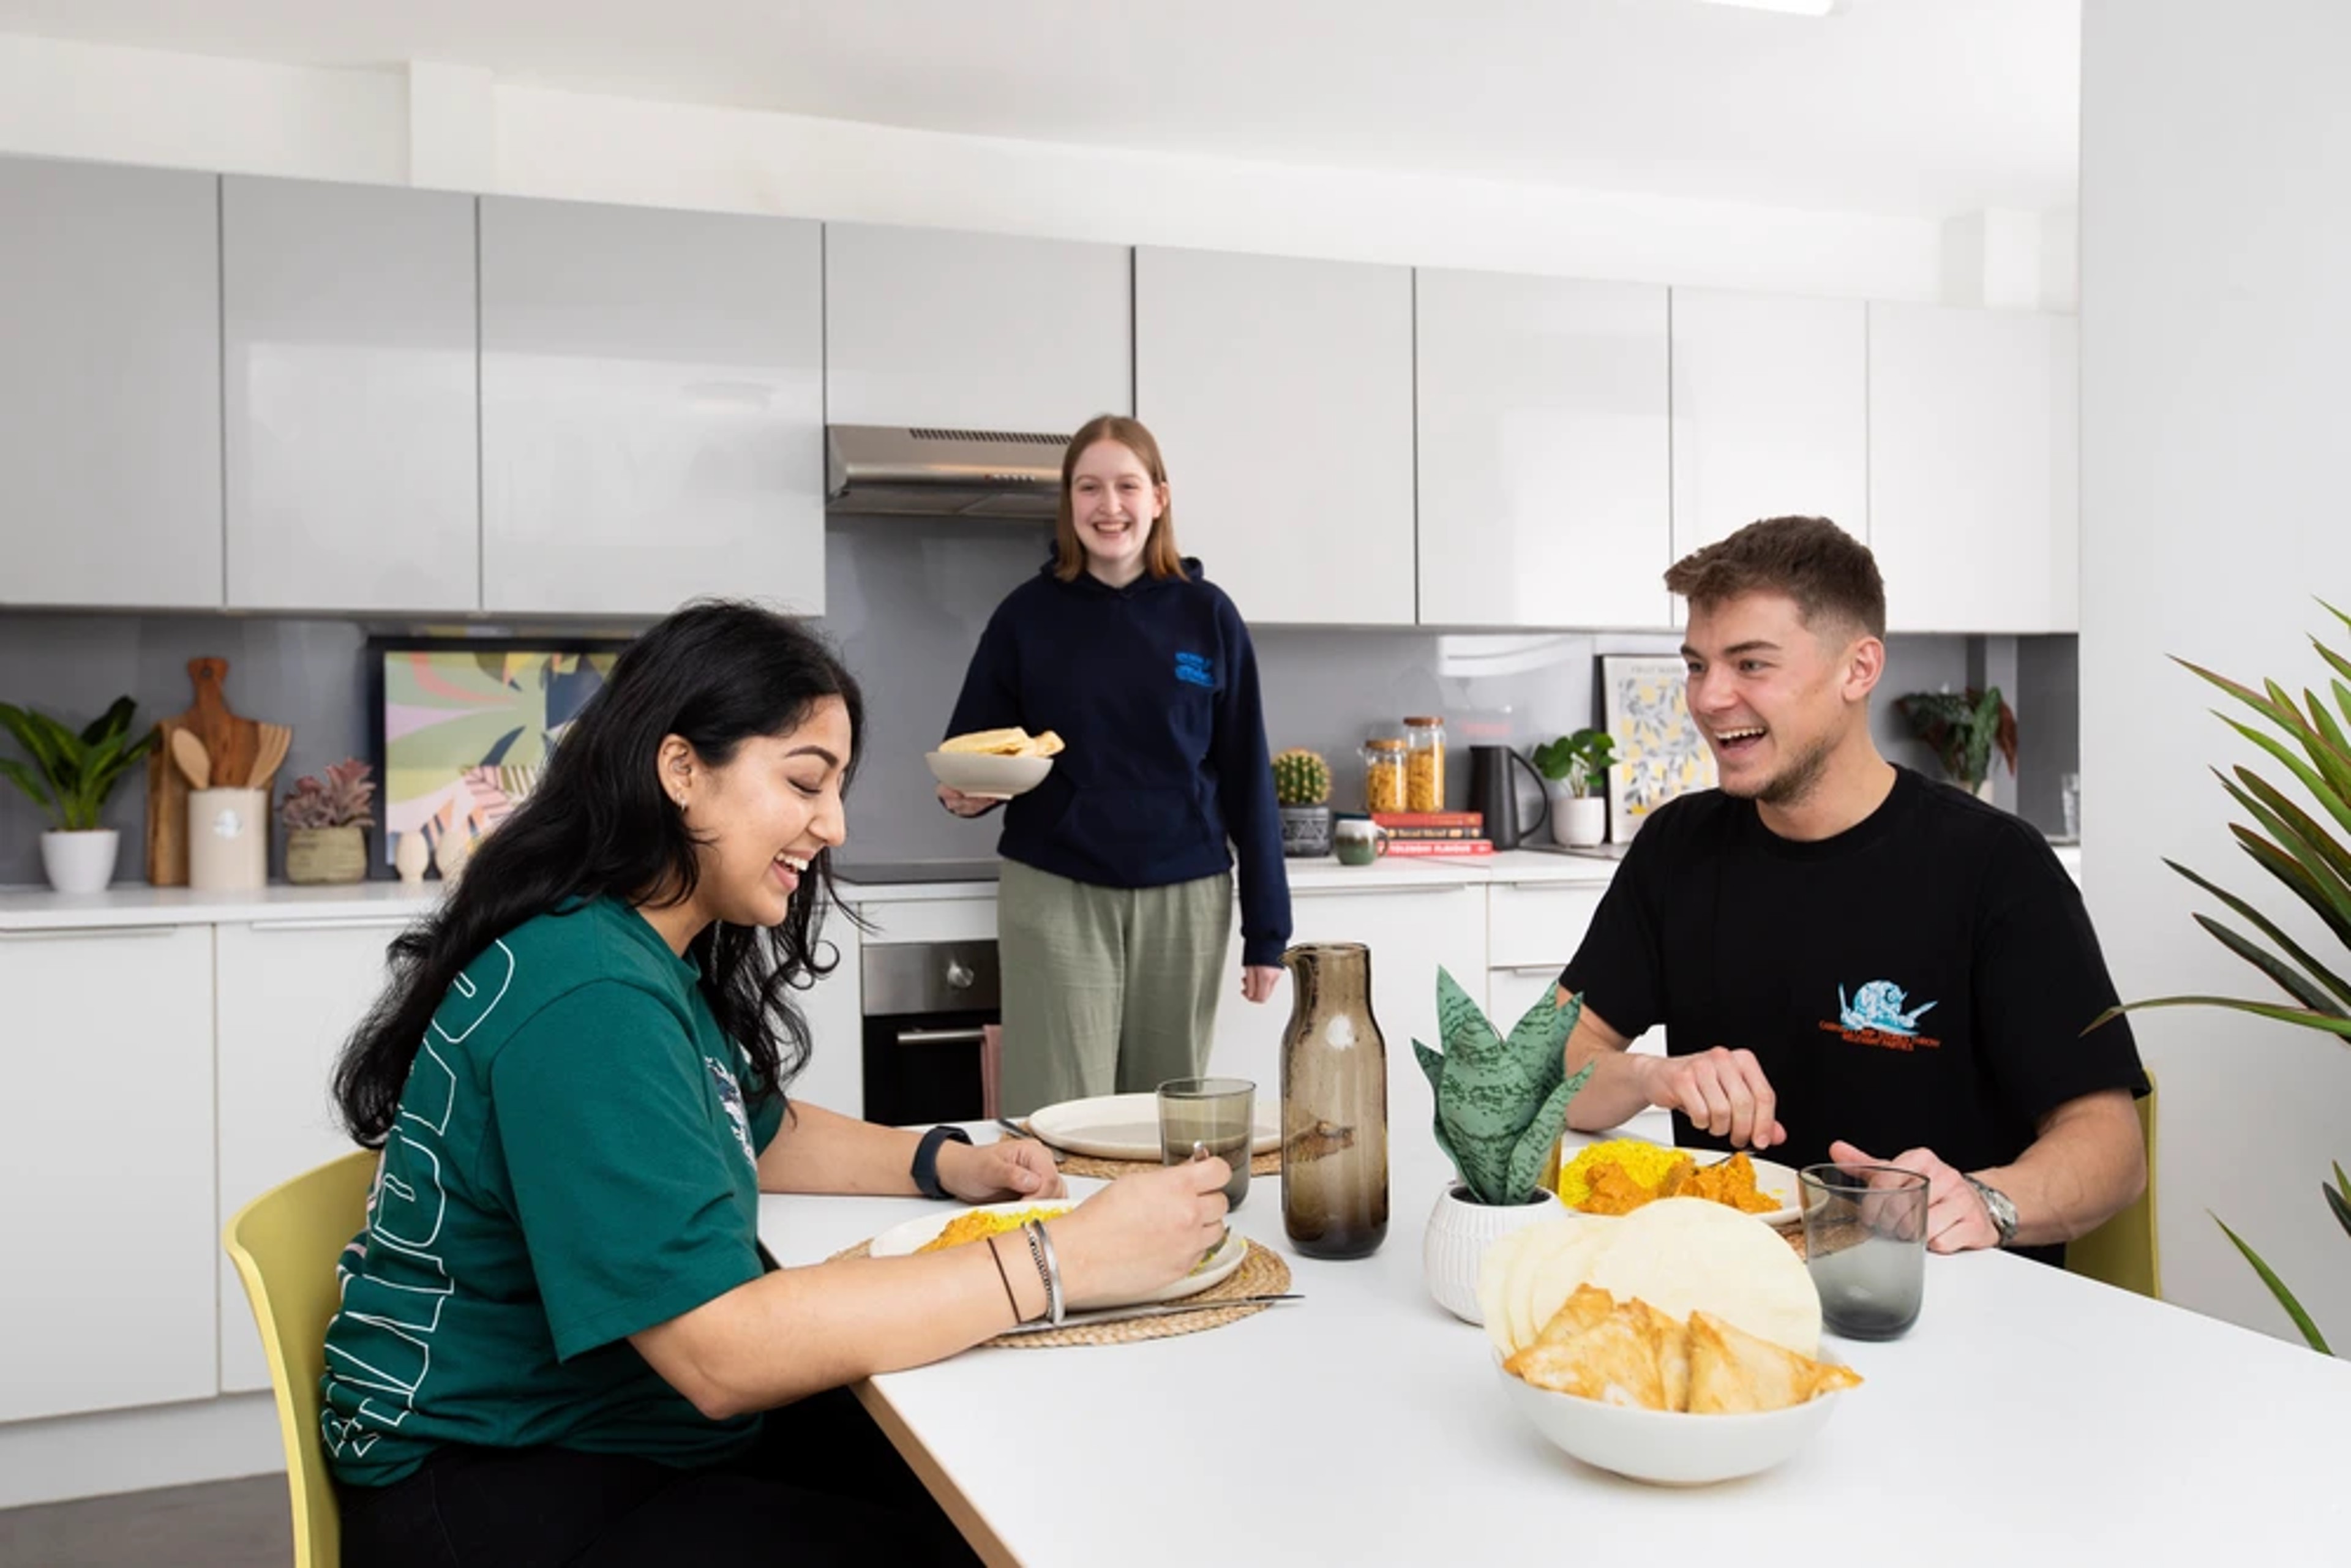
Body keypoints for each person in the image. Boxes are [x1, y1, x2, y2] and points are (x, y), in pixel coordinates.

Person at [322, 600, 1232, 1568]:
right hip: (498, 1489)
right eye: (806, 782)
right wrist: (1067, 1263)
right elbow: (723, 1354)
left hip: (596, 1428)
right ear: (683, 771)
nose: (832, 825)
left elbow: (749, 1124)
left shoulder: (622, 947)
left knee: (993, 1482)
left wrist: (946, 1163)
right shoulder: (588, 997)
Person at [1556, 517, 2147, 1264]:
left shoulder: (1998, 866)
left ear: (1859, 668)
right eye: (1698, 664)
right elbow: (1550, 1067)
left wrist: (1986, 1199)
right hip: (1736, 1285)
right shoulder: (1679, 846)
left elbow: (2112, 1148)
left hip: (1939, 1299)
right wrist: (1652, 1075)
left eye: (1750, 664)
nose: (1708, 698)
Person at [939, 415, 1291, 1114]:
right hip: (1056, 885)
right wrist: (969, 791)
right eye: (1089, 487)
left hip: (1186, 893)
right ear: (1069, 502)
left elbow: (1250, 777)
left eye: (1127, 485)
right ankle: (1058, 1226)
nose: (1109, 506)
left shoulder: (1209, 616)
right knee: (1056, 1111)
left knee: (1166, 1113)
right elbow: (973, 749)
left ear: (1159, 497)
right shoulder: (1025, 617)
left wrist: (1268, 933)